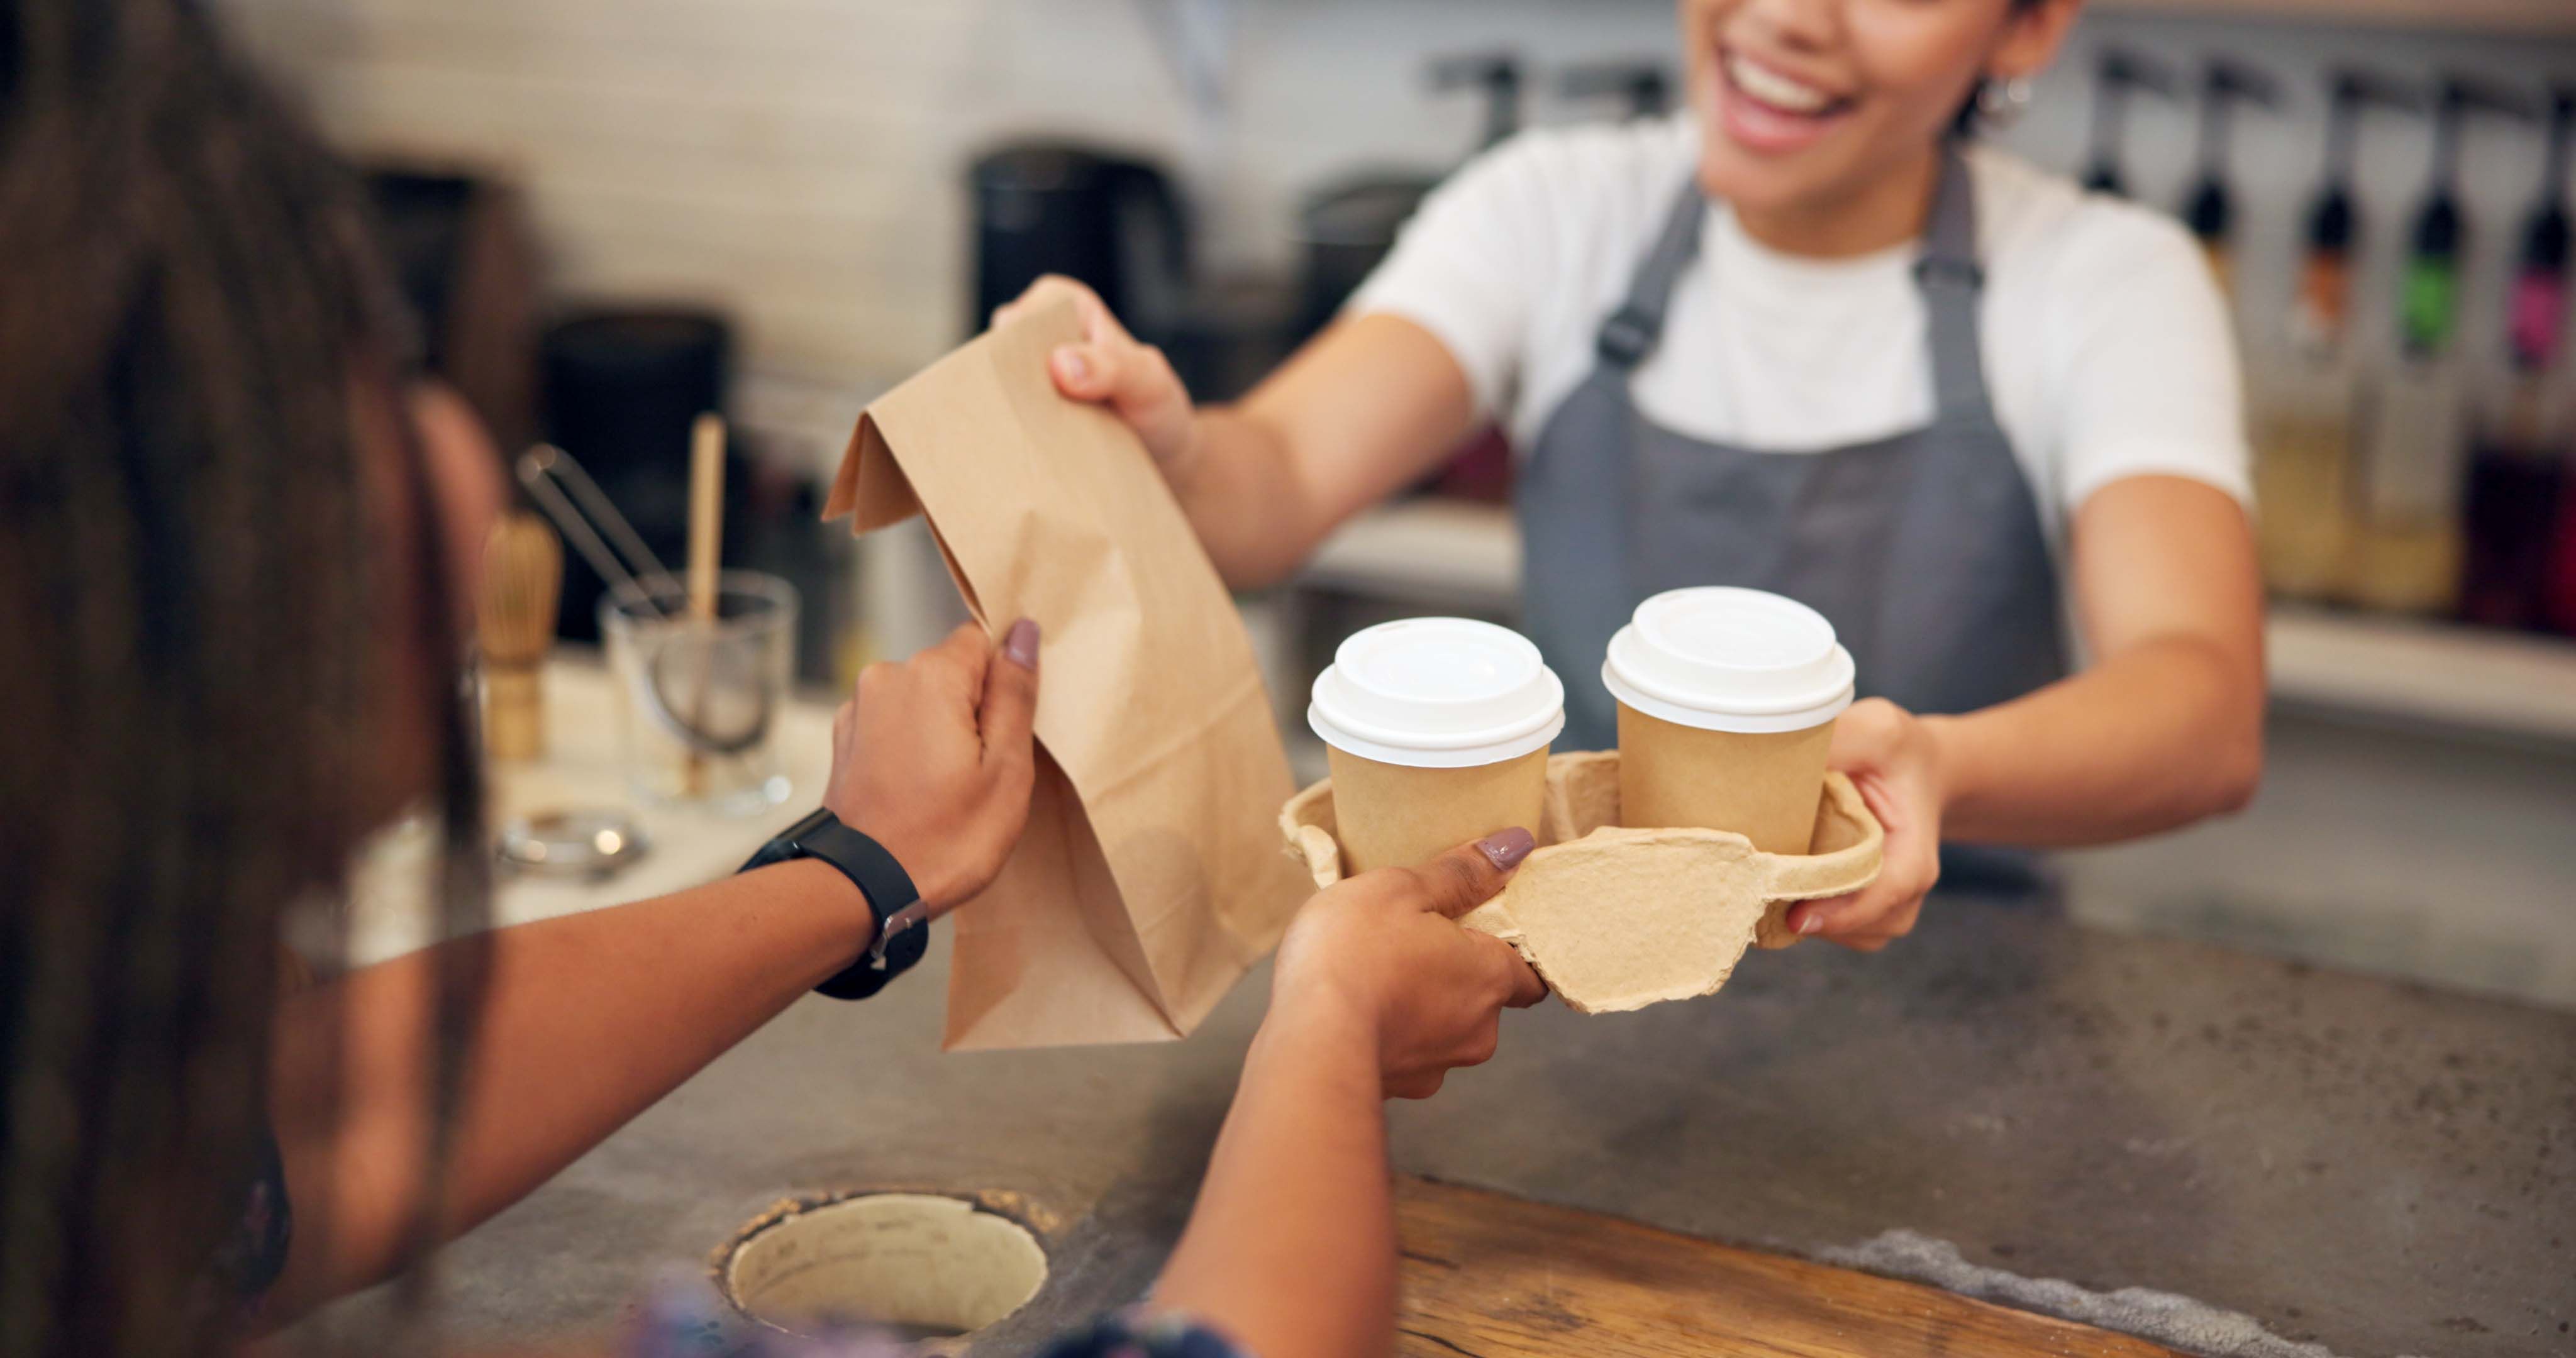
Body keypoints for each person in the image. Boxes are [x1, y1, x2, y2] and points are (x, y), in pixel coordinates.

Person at [0, 4, 1540, 1357]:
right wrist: (1326, 1028)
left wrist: (854, 867)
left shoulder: (77, 1152)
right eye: (381, 363)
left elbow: (294, 1132)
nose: (452, 444)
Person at [997, 0, 2268, 948]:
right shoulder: (1555, 212)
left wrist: (1935, 765)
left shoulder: (2102, 280)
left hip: (1950, 994)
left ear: (2028, 25)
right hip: (1571, 971)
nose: (1787, 16)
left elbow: (2202, 712)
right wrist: (1172, 446)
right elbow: (1269, 484)